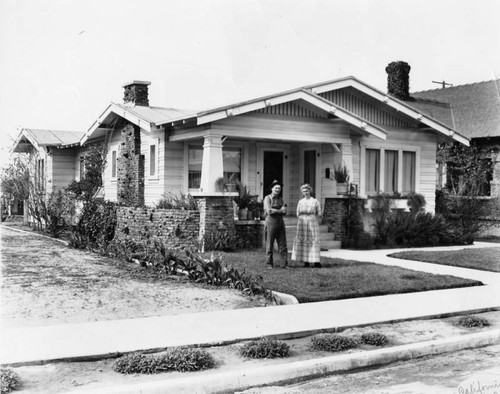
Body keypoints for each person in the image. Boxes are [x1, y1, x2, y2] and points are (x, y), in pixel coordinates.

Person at [291, 183, 322, 268]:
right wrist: (302, 218)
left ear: (310, 191)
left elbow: (319, 213)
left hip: (312, 221)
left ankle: (316, 261)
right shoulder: (300, 201)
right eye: (304, 191)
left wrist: (312, 218)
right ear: (302, 192)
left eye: (307, 191)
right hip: (302, 223)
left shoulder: (315, 201)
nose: (305, 192)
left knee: (313, 240)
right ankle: (305, 261)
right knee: (303, 240)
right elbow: (297, 213)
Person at [263, 180, 288, 269]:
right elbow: (269, 211)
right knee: (269, 243)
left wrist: (280, 211)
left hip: (280, 221)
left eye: (279, 188)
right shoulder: (267, 198)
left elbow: (284, 211)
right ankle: (269, 263)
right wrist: (280, 210)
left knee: (282, 243)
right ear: (272, 189)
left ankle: (284, 264)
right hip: (271, 221)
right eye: (276, 188)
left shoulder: (281, 199)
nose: (277, 190)